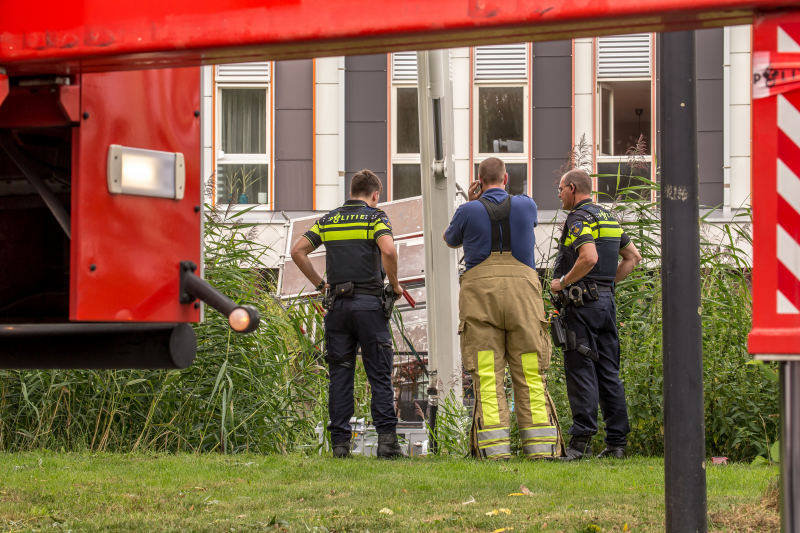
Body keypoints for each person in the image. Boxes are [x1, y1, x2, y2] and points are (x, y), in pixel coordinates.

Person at [443, 157, 564, 461]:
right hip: (523, 296)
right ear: (506, 178)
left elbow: (450, 239)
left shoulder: (468, 210)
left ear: (479, 180)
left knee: (487, 372)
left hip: (480, 298)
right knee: (529, 371)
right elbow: (527, 222)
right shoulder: (526, 204)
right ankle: (541, 449)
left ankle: (495, 451)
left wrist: (473, 201)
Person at [290, 169, 406, 459]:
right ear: (374, 195)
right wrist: (394, 285)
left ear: (351, 190)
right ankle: (387, 444)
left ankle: (340, 446)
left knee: (340, 375)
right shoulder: (375, 217)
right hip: (369, 307)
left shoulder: (329, 220)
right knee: (379, 374)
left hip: (338, 308)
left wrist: (321, 285)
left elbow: (298, 251)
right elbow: (389, 252)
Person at [550, 169, 642, 461]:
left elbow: (588, 256)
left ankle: (580, 445)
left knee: (580, 370)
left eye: (561, 188)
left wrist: (563, 282)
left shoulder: (579, 218)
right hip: (606, 305)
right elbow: (633, 258)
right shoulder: (609, 218)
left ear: (573, 188)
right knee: (609, 373)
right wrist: (606, 286)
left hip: (582, 307)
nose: (560, 193)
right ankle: (616, 444)